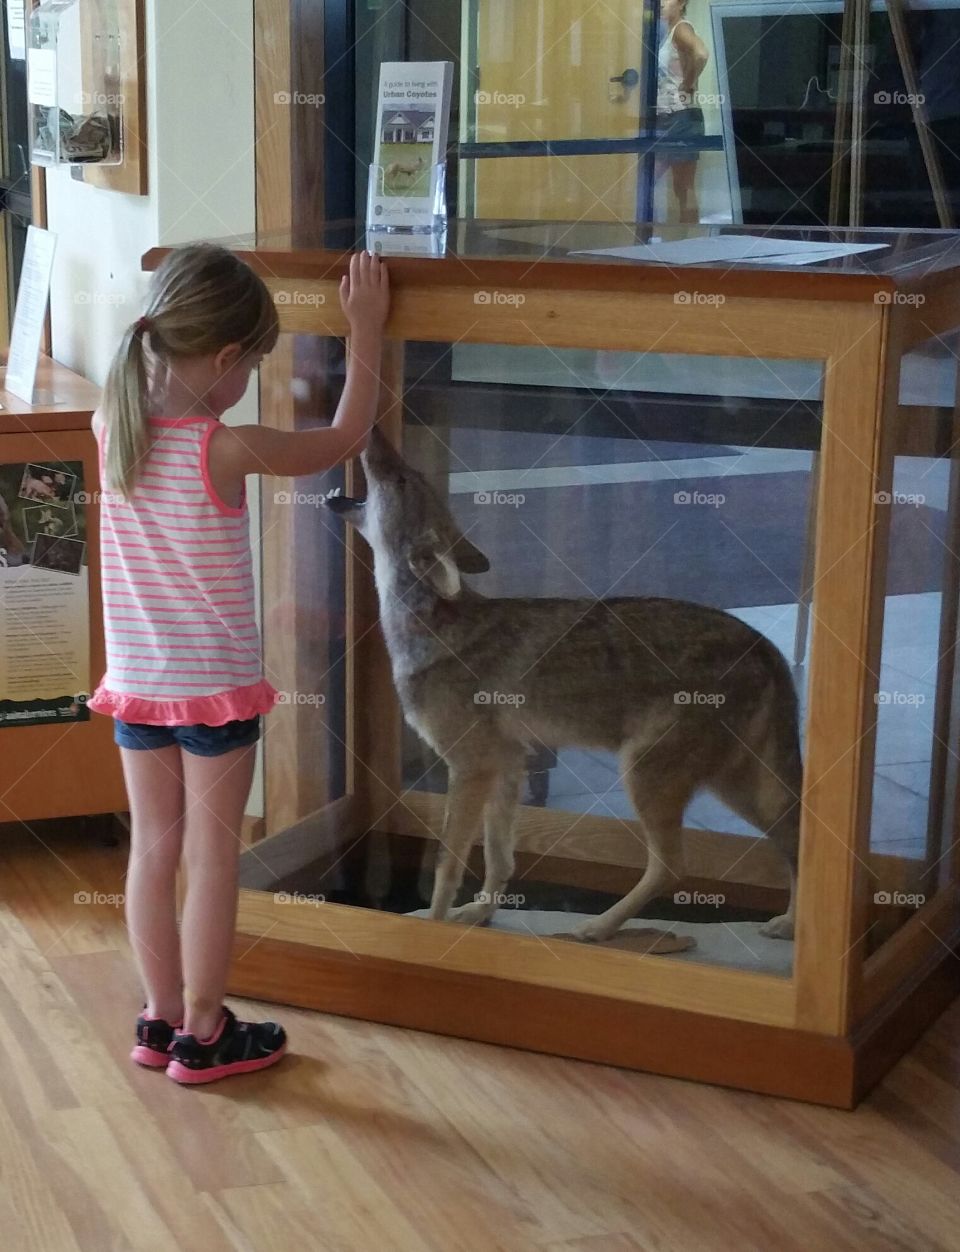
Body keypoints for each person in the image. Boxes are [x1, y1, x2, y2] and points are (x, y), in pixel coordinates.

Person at [88, 243, 389, 1083]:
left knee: (154, 847)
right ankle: (208, 1031)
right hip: (215, 694)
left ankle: (160, 1019)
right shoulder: (225, 447)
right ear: (225, 360)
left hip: (140, 688)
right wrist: (366, 328)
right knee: (213, 855)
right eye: (253, 363)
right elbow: (344, 437)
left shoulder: (110, 424)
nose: (251, 377)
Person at [656, 0, 710, 224]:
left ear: (681, 3)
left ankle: (689, 247)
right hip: (667, 117)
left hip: (681, 116)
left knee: (684, 189)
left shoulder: (681, 28)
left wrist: (688, 83)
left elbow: (701, 53)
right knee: (675, 186)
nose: (660, 4)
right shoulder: (665, 33)